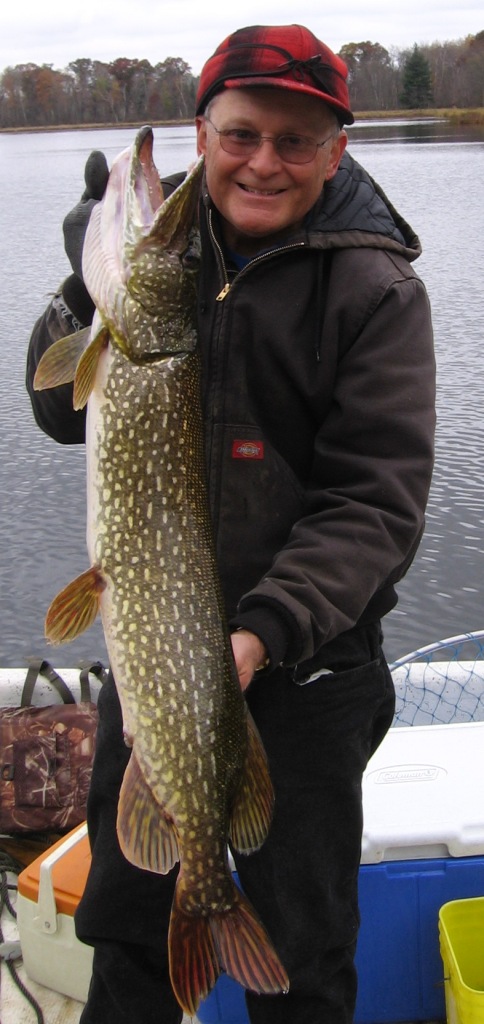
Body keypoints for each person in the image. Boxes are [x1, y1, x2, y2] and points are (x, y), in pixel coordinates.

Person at [26, 23, 435, 1024]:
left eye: (295, 141)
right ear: (206, 132)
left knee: (301, 952)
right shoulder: (157, 275)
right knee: (126, 933)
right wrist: (88, 281)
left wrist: (256, 634)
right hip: (156, 665)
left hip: (306, 673)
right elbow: (55, 409)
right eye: (240, 134)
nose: (262, 162)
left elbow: (374, 500)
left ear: (337, 150)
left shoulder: (375, 289)